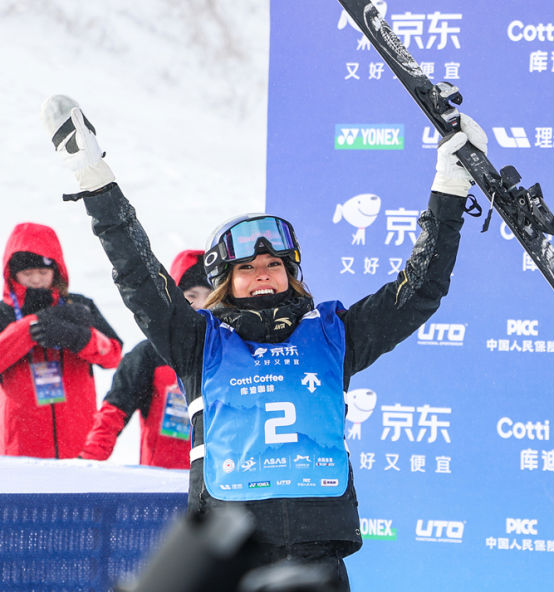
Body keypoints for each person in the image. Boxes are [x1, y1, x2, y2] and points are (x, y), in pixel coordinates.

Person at [41, 94, 488, 590]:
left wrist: (449, 188)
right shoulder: (197, 342)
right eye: (247, 268)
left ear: (290, 274)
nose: (262, 275)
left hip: (317, 555)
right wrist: (95, 179)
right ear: (225, 283)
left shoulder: (334, 334)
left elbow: (419, 290)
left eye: (274, 264)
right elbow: (137, 272)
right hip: (227, 556)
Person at [0, 221, 122, 459]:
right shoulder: (4, 313)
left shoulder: (79, 306)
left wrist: (79, 337)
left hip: (78, 442)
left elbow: (113, 356)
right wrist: (34, 325)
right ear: (12, 274)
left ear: (56, 271)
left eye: (43, 273)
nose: (36, 280)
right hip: (21, 447)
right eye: (27, 274)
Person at [79, 250, 212, 468]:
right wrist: (88, 462)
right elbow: (113, 414)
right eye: (191, 296)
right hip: (163, 483)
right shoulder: (149, 355)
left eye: (211, 296)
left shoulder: (234, 353)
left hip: (223, 484)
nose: (202, 305)